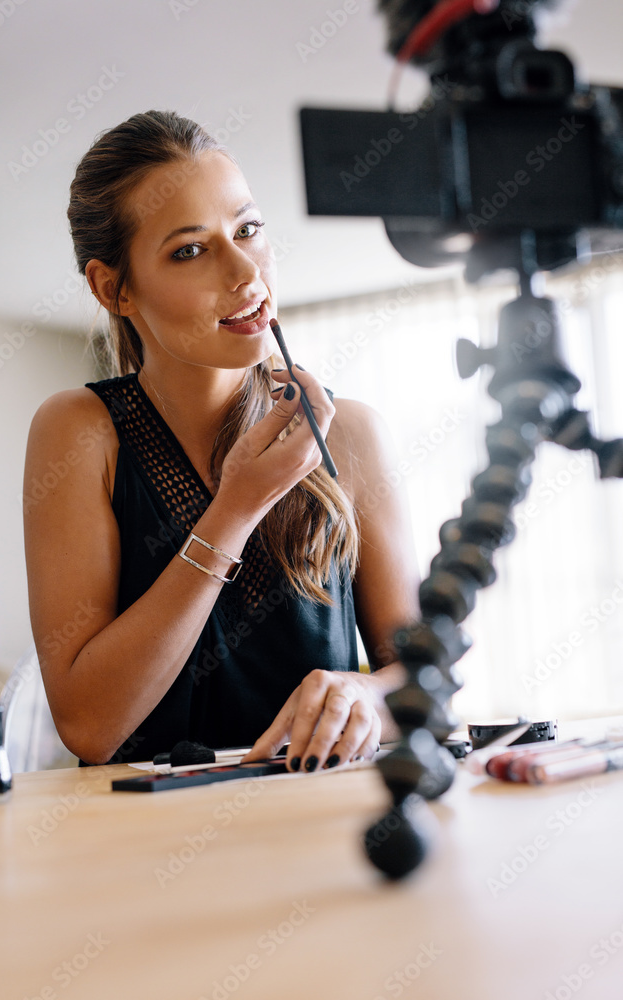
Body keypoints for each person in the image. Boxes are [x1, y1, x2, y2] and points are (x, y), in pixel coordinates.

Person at [22, 110, 418, 770]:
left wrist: (364, 695)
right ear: (112, 288)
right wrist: (235, 509)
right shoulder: (81, 430)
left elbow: (422, 686)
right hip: (143, 844)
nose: (244, 272)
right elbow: (90, 727)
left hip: (322, 823)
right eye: (190, 249)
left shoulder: (348, 434)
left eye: (248, 230)